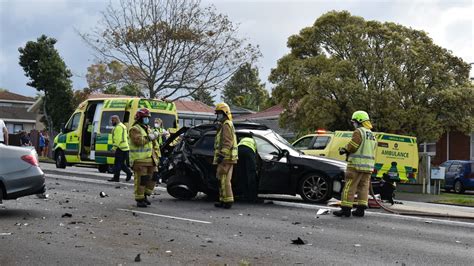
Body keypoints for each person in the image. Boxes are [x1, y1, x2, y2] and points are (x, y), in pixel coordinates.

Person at [333, 110, 376, 218]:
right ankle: (360, 210)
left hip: (356, 165)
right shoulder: (372, 134)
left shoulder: (358, 132)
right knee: (363, 187)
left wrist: (345, 149)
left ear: (359, 121)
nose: (353, 124)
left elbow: (353, 146)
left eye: (354, 122)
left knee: (349, 186)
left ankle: (346, 209)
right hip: (368, 167)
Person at [128, 108, 161, 207]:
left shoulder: (147, 128)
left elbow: (154, 143)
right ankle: (140, 199)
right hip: (139, 160)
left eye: (148, 117)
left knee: (154, 176)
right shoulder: (135, 129)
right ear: (140, 118)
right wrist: (151, 136)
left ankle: (146, 195)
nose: (147, 119)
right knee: (142, 179)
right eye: (145, 117)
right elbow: (139, 141)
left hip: (151, 159)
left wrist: (157, 155)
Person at [213, 103, 238, 209]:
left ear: (225, 114)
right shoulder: (226, 124)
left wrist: (222, 155)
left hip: (226, 158)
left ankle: (227, 201)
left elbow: (227, 142)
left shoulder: (226, 125)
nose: (218, 116)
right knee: (224, 179)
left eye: (219, 113)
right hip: (228, 157)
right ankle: (224, 200)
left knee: (223, 180)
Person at [108, 115, 133, 182]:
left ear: (116, 120)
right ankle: (128, 173)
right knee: (121, 164)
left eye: (112, 120)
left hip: (120, 148)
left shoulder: (118, 127)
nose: (112, 122)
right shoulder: (123, 126)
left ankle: (116, 178)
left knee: (117, 164)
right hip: (125, 147)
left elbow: (117, 138)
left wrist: (114, 148)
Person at [235, 136, 259, 202]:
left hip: (238, 150)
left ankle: (244, 195)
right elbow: (258, 153)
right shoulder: (256, 140)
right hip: (248, 151)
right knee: (251, 174)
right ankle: (252, 197)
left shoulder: (243, 139)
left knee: (242, 174)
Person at [151, 118, 169, 183]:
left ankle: (163, 178)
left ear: (161, 123)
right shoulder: (152, 130)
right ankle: (157, 179)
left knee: (163, 164)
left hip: (162, 149)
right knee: (156, 165)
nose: (156, 124)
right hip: (155, 149)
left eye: (157, 122)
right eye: (155, 122)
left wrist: (165, 135)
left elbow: (167, 136)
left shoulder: (163, 130)